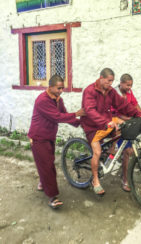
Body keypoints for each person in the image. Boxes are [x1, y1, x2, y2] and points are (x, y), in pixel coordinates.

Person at [80, 68, 141, 195]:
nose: (110, 84)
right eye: (108, 81)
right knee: (97, 152)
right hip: (92, 126)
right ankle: (95, 180)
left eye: (112, 81)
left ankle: (112, 155)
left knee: (124, 132)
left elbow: (122, 105)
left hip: (107, 122)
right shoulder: (89, 91)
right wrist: (105, 122)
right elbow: (90, 111)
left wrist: (138, 114)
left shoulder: (110, 91)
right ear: (101, 78)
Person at [28, 74, 85, 209]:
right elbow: (57, 117)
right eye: (59, 88)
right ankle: (52, 197)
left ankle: (43, 183)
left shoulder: (58, 99)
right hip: (38, 137)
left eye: (62, 88)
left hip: (49, 136)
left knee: (47, 162)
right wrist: (76, 114)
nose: (61, 91)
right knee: (48, 166)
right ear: (51, 87)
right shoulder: (42, 100)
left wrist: (80, 123)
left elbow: (65, 115)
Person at [113, 73, 141, 192]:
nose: (129, 88)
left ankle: (123, 169)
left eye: (131, 85)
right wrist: (129, 119)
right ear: (121, 83)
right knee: (127, 151)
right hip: (116, 123)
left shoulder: (129, 93)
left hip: (127, 124)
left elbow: (135, 105)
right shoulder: (115, 93)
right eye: (127, 85)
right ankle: (125, 179)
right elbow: (115, 114)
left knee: (130, 150)